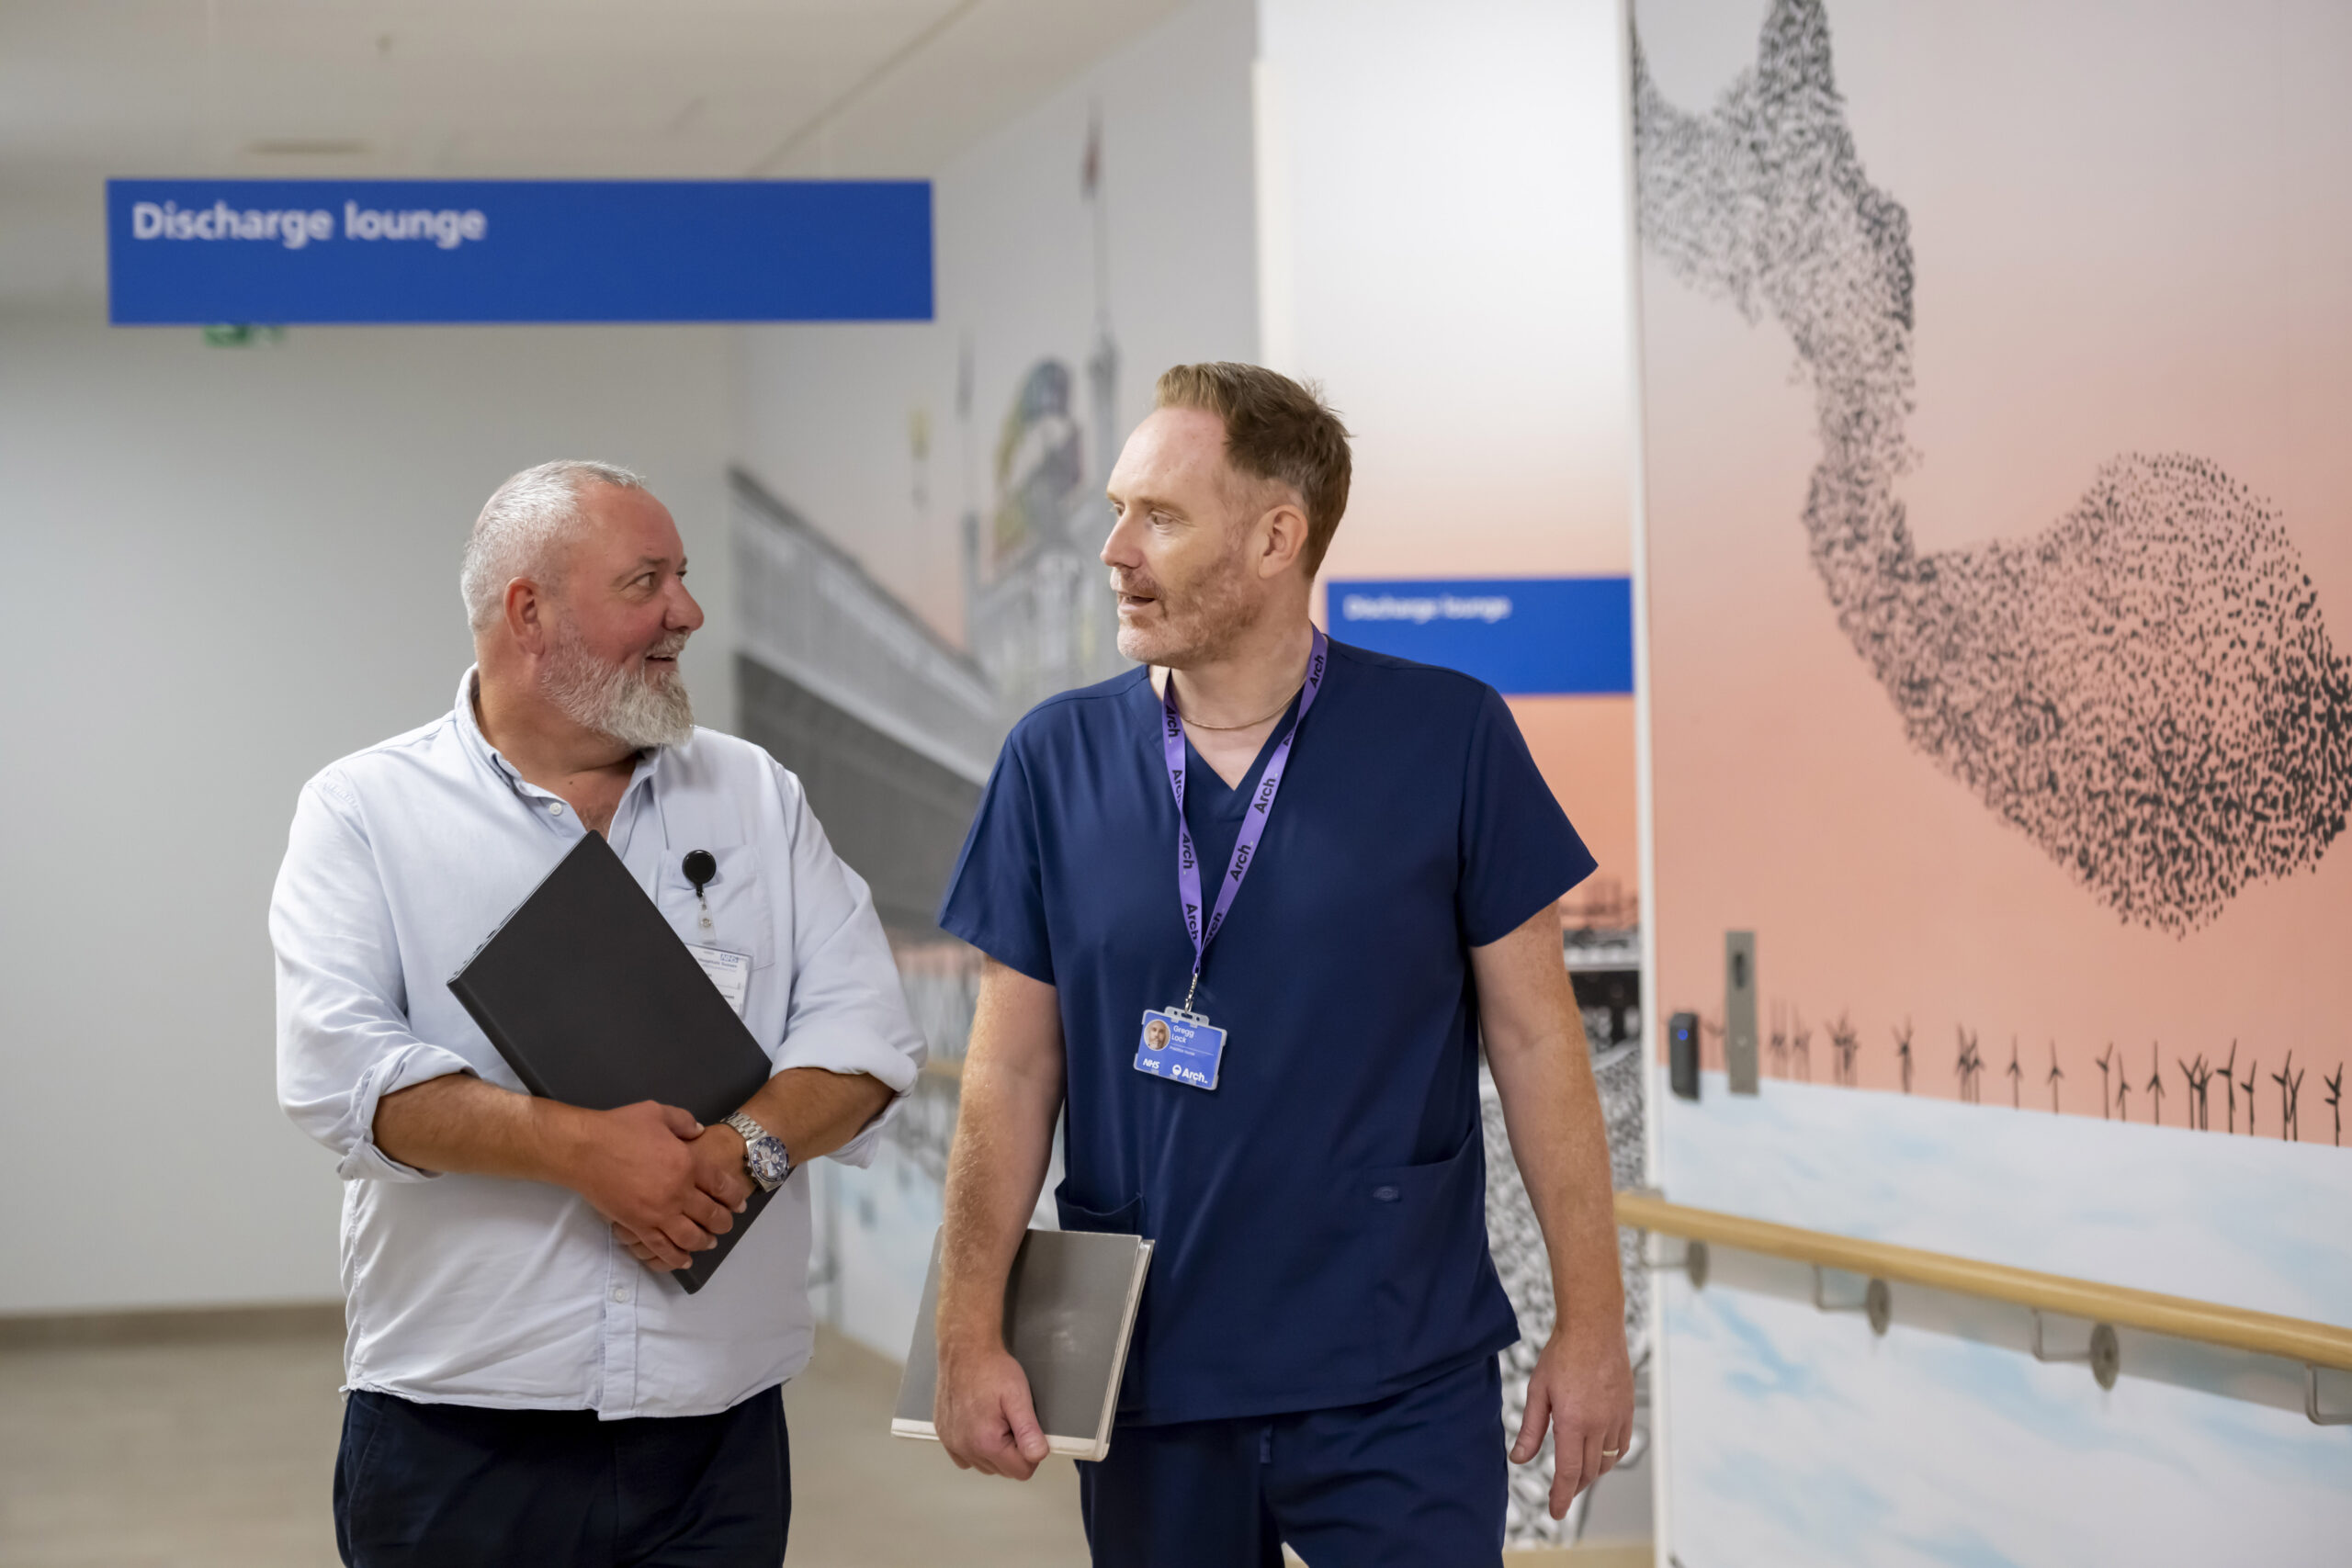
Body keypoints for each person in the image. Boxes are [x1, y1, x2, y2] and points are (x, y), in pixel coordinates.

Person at [931, 364, 1634, 1565]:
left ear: (1275, 536)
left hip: (1395, 1364)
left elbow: (1535, 1038)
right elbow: (1009, 1070)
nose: (1114, 548)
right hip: (1152, 1366)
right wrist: (964, 1326)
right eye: (1115, 507)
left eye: (1158, 515)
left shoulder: (1448, 736)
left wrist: (1594, 1323)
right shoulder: (1056, 760)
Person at [272, 460, 925, 1568]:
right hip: (458, 1431)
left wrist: (742, 1150)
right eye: (648, 581)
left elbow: (865, 1037)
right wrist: (585, 1153)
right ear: (528, 611)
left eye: (683, 577)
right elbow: (339, 1074)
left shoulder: (754, 793)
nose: (688, 612)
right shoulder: (366, 811)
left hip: (714, 1431)